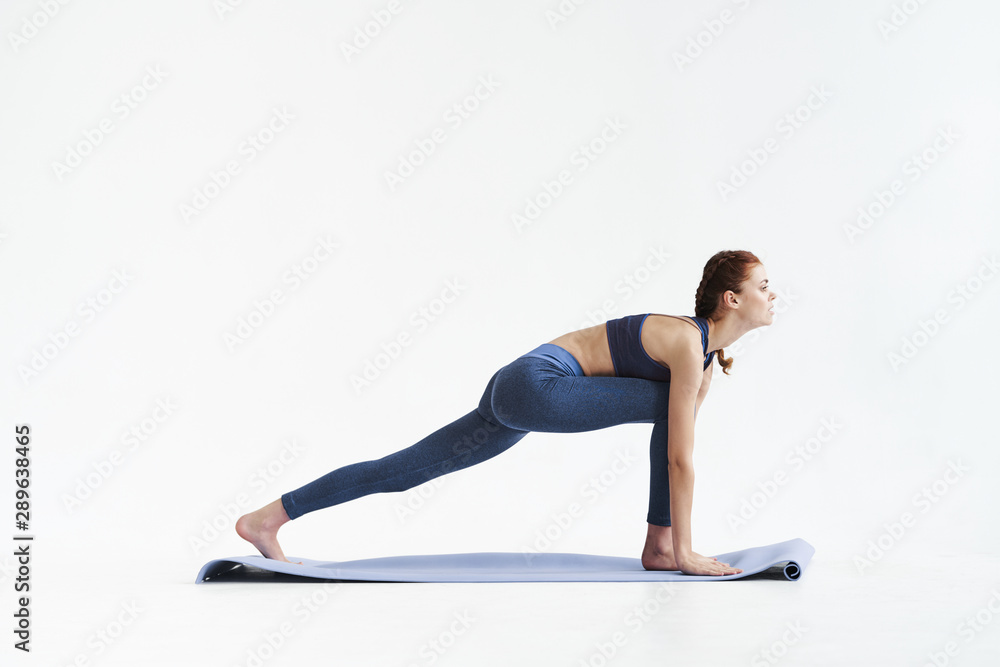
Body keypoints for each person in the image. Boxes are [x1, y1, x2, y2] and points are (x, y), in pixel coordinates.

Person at [236, 250, 774, 576]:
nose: (772, 295)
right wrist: (686, 551)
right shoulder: (687, 344)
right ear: (730, 299)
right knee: (676, 415)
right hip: (538, 385)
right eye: (762, 287)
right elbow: (679, 459)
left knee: (407, 469)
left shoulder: (699, 358)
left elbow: (675, 450)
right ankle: (662, 546)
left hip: (517, 389)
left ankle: (269, 518)